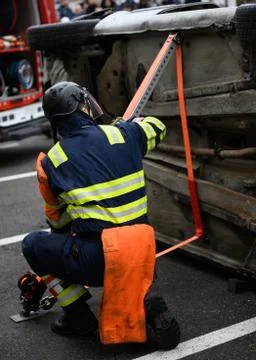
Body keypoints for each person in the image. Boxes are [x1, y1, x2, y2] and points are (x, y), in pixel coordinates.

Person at [22, 81, 180, 350]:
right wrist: (126, 124)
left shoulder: (51, 161)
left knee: (33, 245)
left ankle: (78, 317)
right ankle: (144, 297)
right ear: (82, 106)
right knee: (124, 258)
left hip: (98, 259)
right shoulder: (124, 134)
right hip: (143, 252)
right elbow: (158, 127)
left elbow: (57, 223)